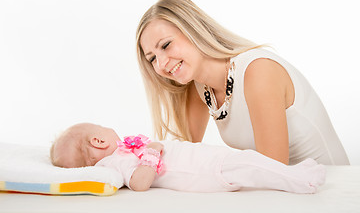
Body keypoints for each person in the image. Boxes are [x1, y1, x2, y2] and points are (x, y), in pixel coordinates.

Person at [136, 0, 349, 165]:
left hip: (327, 191)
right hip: (284, 192)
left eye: (165, 45)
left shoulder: (258, 71)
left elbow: (274, 172)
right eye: (152, 58)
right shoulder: (199, 87)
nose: (161, 64)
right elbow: (184, 156)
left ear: (193, 30)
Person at [50, 122, 326, 193]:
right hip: (203, 170)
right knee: (249, 164)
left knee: (249, 161)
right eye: (100, 127)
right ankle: (302, 182)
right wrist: (152, 153)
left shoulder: (119, 154)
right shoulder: (114, 161)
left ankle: (294, 174)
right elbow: (139, 183)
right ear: (98, 141)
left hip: (203, 159)